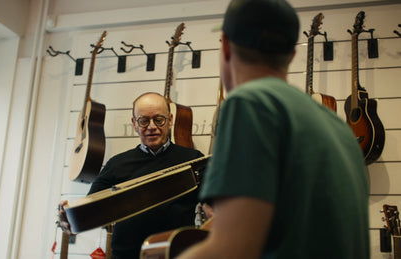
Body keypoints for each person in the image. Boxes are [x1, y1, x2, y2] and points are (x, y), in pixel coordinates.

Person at [177, 0, 369, 258]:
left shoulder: (251, 102)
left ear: (225, 47)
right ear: (290, 54)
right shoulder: (337, 126)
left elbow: (231, 250)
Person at [59, 92, 204, 259]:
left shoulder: (193, 160)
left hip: (177, 255)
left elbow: (214, 206)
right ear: (134, 124)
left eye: (159, 119)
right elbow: (90, 209)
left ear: (170, 120)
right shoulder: (116, 164)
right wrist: (68, 218)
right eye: (144, 120)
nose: (151, 126)